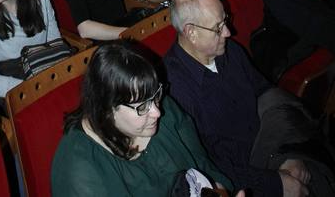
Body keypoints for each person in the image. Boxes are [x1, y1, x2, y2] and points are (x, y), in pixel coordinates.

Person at [166, 0, 326, 197]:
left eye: (225, 20)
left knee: (321, 175)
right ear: (191, 32)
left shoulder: (231, 51)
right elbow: (207, 166)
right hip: (239, 182)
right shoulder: (175, 91)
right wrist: (275, 183)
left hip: (273, 148)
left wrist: (289, 154)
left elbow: (269, 97)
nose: (228, 32)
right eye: (218, 27)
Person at [51, 40, 233, 197]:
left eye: (155, 95)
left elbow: (203, 164)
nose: (157, 111)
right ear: (107, 109)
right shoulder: (79, 170)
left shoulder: (163, 107)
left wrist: (220, 189)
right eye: (142, 107)